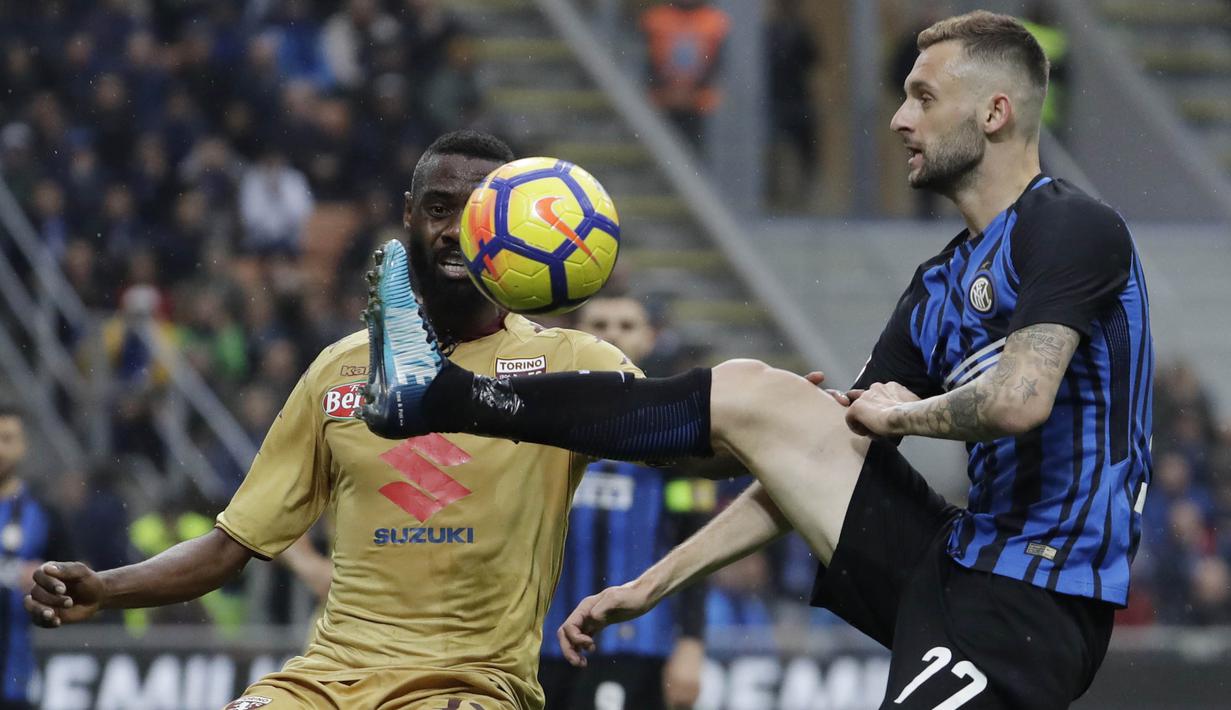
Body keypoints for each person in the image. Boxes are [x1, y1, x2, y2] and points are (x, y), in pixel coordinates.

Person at [349, 12, 1153, 709]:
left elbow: (1019, 401)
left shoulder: (1072, 227)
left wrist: (895, 414)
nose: (900, 118)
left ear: (994, 113)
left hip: (1038, 600)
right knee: (762, 397)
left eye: (923, 98)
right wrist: (650, 586)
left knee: (816, 411)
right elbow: (809, 454)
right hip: (947, 560)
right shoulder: (938, 283)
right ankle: (441, 397)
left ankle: (441, 397)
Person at [25, 131, 640, 710]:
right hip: (325, 681)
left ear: (504, 227)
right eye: (437, 208)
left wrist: (650, 586)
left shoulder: (571, 363)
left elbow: (695, 446)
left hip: (465, 683)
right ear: (408, 215)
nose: (454, 230)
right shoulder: (338, 370)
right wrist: (106, 589)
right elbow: (229, 547)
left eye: (474, 212)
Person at [539, 295, 711, 710]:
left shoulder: (674, 435)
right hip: (536, 646)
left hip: (634, 648)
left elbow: (696, 543)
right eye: (598, 324)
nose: (612, 333)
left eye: (626, 325)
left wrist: (691, 643)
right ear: (573, 336)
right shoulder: (539, 426)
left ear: (649, 339)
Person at [0, 404, 74, 710]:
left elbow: (79, 583)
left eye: (7, 438)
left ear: (24, 445)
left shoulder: (44, 514)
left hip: (15, 679)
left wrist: (46, 581)